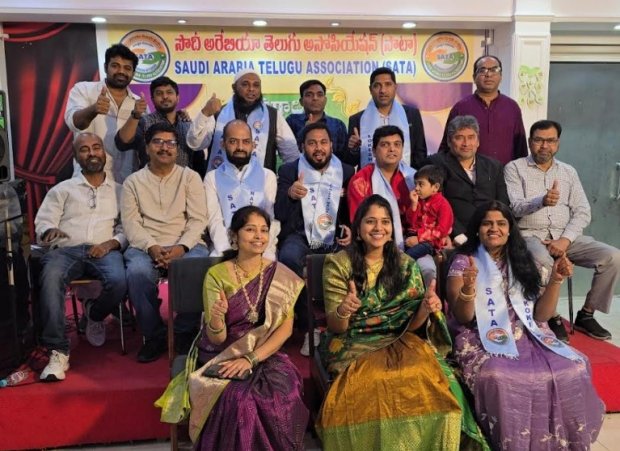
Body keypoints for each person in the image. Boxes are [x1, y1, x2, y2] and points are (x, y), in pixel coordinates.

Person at [316, 195, 488, 450]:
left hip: (400, 338)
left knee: (439, 379)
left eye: (385, 221)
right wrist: (344, 310)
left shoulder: (406, 264)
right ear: (358, 229)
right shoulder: (338, 264)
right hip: (353, 340)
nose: (378, 227)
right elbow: (337, 327)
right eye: (370, 221)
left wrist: (425, 307)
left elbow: (413, 326)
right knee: (375, 379)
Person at [446, 200, 604, 450]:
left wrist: (556, 280)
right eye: (487, 223)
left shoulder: (524, 260)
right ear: (477, 229)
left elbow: (541, 316)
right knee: (499, 376)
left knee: (574, 365)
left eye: (501, 223)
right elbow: (463, 317)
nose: (494, 228)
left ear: (510, 230)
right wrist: (468, 288)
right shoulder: (465, 262)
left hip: (531, 333)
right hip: (482, 337)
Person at [188, 206, 309, 450]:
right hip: (224, 353)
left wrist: (251, 359)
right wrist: (217, 318)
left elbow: (285, 330)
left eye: (264, 230)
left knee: (285, 393)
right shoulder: (217, 275)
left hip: (265, 352)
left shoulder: (281, 275)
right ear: (234, 236)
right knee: (240, 401)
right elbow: (217, 338)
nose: (258, 236)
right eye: (250, 229)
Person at [505, 119, 620, 341]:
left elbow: (583, 211)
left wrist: (565, 240)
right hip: (531, 235)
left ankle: (586, 314)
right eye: (539, 140)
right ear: (530, 142)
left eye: (550, 141)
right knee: (543, 260)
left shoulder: (568, 172)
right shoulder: (514, 168)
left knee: (613, 257)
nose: (544, 146)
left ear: (557, 143)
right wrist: (541, 201)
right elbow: (515, 207)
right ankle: (551, 316)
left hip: (565, 236)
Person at [35, 132, 127, 381]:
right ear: (76, 157)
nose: (92, 153)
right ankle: (58, 351)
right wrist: (49, 231)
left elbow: (127, 228)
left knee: (119, 280)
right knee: (50, 278)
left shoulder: (120, 191)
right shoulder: (62, 190)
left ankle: (94, 314)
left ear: (104, 153)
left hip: (104, 249)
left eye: (96, 147)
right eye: (84, 149)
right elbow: (44, 222)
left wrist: (111, 243)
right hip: (67, 250)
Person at [122, 123, 209, 362]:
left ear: (177, 149)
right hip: (145, 246)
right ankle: (155, 335)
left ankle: (184, 331)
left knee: (197, 266)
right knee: (137, 273)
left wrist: (182, 247)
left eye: (170, 143)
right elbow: (130, 223)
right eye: (158, 142)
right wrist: (152, 247)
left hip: (186, 243)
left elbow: (198, 219)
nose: (164, 148)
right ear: (147, 148)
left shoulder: (190, 177)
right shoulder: (133, 182)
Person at [275, 122, 354, 353]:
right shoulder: (289, 171)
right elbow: (279, 212)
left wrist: (351, 227)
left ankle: (343, 324)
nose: (318, 148)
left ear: (331, 145)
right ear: (302, 147)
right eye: (312, 143)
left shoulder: (347, 171)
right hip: (300, 234)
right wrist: (290, 194)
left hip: (335, 235)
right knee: (288, 258)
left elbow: (354, 208)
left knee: (355, 259)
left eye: (323, 142)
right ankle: (308, 326)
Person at [347, 125, 436, 285]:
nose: (392, 149)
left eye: (397, 144)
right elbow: (359, 224)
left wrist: (420, 237)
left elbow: (430, 215)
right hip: (374, 245)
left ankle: (428, 301)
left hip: (413, 243)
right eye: (385, 144)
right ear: (374, 151)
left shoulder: (414, 178)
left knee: (428, 269)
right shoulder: (360, 181)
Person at [187, 69, 299, 172]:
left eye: (256, 85)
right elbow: (195, 144)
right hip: (219, 182)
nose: (251, 89)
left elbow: (291, 154)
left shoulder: (273, 115)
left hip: (262, 184)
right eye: (245, 84)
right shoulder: (217, 112)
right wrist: (205, 113)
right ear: (234, 87)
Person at [64, 43, 142, 182]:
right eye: (115, 66)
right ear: (106, 67)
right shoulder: (84, 90)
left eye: (127, 68)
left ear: (133, 73)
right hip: (89, 179)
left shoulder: (139, 105)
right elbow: (74, 123)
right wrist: (93, 109)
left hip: (127, 181)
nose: (121, 71)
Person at [428, 115, 509, 247]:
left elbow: (503, 204)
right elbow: (436, 205)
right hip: (457, 236)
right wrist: (457, 234)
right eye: (459, 138)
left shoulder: (494, 166)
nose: (466, 143)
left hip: (492, 233)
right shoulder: (436, 164)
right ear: (449, 141)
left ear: (478, 141)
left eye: (471, 137)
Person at [204, 119, 279, 259]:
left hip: (261, 244)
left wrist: (260, 246)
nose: (240, 147)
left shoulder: (268, 176)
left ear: (253, 145)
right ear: (223, 144)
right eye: (233, 141)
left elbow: (270, 218)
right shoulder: (212, 178)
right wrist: (229, 250)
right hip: (225, 245)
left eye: (246, 142)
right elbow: (214, 220)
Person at [438, 55, 527, 165]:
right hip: (467, 174)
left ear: (501, 76)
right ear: (474, 77)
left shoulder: (512, 107)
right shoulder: (461, 107)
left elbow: (521, 147)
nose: (488, 74)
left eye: (494, 70)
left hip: (506, 173)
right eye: (482, 70)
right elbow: (446, 146)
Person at [115, 76, 205, 175]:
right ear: (152, 100)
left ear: (177, 98)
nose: (165, 96)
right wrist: (135, 115)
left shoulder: (188, 125)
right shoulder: (144, 122)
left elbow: (199, 161)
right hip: (150, 182)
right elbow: (122, 144)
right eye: (159, 93)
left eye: (169, 92)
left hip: (183, 182)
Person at [346, 66, 427, 169]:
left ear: (395, 87)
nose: (383, 90)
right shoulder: (357, 119)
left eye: (388, 84)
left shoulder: (411, 115)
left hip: (406, 177)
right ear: (370, 89)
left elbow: (420, 154)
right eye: (377, 86)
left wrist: (412, 177)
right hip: (369, 178)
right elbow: (350, 162)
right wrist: (354, 149)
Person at [285, 79, 348, 160]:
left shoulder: (338, 125)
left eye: (319, 95)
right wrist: (305, 131)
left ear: (325, 100)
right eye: (309, 95)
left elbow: (344, 157)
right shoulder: (292, 121)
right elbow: (288, 151)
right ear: (301, 101)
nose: (315, 98)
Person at [405, 164, 454, 259]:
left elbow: (441, 231)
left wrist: (419, 238)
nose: (416, 188)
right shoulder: (419, 201)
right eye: (416, 184)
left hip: (430, 243)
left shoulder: (443, 205)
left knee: (406, 257)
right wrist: (414, 204)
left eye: (421, 184)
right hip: (412, 236)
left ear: (435, 187)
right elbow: (410, 223)